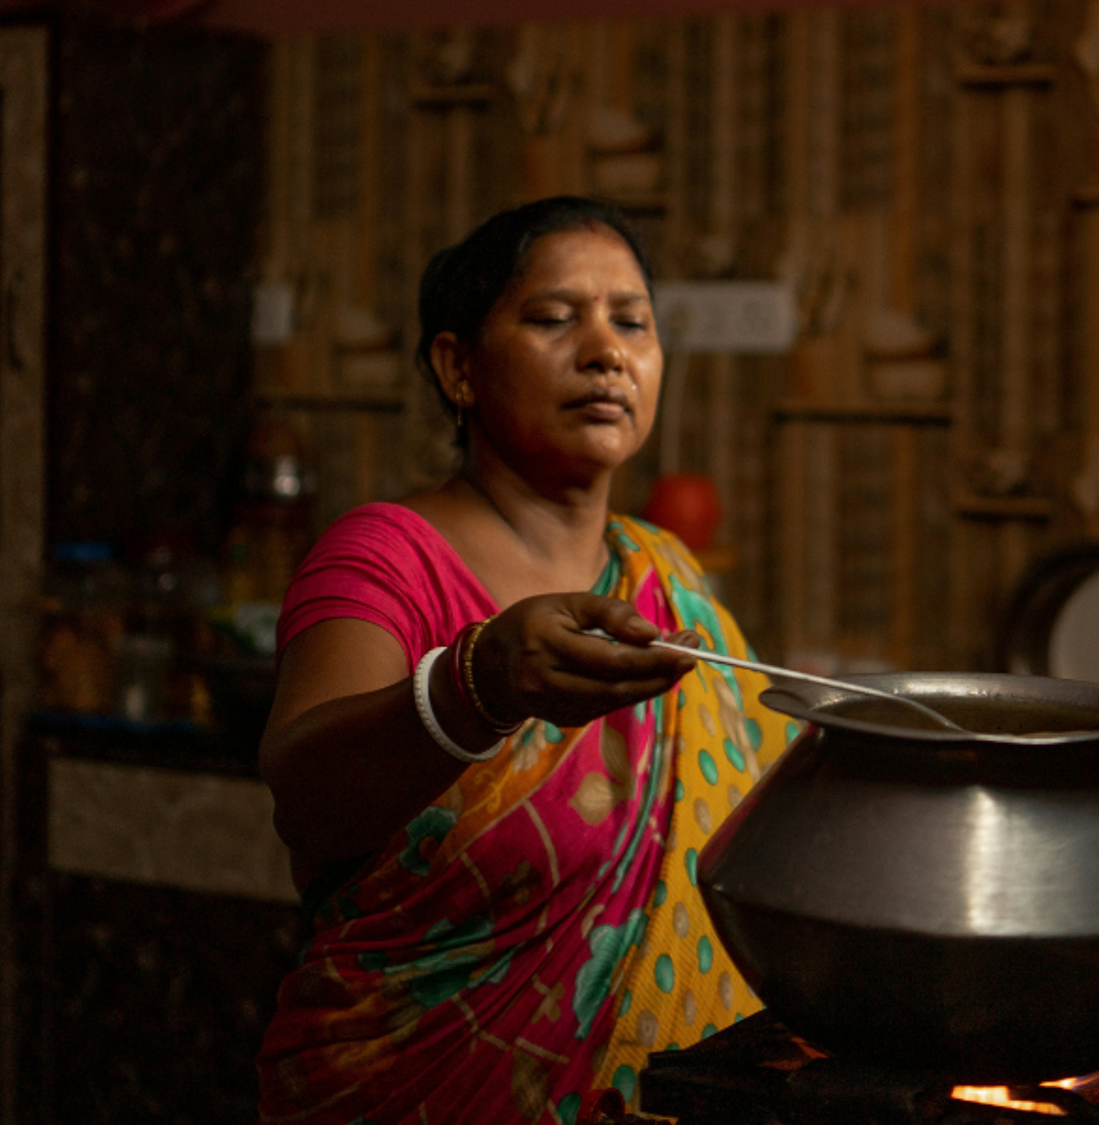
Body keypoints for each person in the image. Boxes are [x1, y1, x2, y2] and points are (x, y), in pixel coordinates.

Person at [255, 197, 790, 1125]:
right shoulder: (386, 555)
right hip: (417, 1083)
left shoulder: (668, 576)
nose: (604, 350)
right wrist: (475, 686)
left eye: (632, 321)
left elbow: (766, 807)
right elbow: (304, 796)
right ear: (457, 366)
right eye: (552, 318)